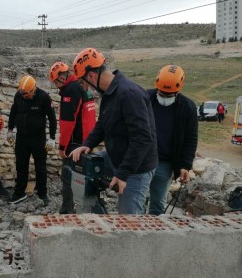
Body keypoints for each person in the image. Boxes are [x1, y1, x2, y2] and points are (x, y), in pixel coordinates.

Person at [69, 48, 158, 215]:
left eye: (83, 83)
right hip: (116, 157)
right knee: (84, 165)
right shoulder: (109, 94)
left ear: (91, 76)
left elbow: (142, 138)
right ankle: (95, 209)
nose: (84, 88)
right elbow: (102, 124)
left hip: (136, 167)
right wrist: (87, 145)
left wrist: (123, 174)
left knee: (128, 218)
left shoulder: (129, 93)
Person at [148, 65, 198, 215]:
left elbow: (191, 139)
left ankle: (154, 234)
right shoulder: (145, 98)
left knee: (157, 205)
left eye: (169, 95)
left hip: (164, 164)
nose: (164, 96)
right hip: (141, 160)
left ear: (178, 90)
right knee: (135, 200)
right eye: (161, 93)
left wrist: (185, 165)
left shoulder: (187, 107)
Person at [48, 62, 96, 214]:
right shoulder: (82, 88)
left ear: (62, 77)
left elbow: (67, 122)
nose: (55, 85)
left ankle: (67, 210)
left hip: (74, 143)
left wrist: (62, 147)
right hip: (87, 141)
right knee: (89, 177)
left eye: (56, 81)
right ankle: (92, 209)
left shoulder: (70, 91)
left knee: (68, 177)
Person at [7, 75, 57, 205]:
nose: (24, 96)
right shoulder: (19, 95)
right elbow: (13, 112)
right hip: (21, 137)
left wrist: (52, 138)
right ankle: (19, 193)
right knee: (21, 165)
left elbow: (52, 118)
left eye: (27, 94)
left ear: (34, 89)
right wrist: (10, 130)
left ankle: (42, 193)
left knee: (40, 167)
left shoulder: (44, 97)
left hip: (38, 138)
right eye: (22, 94)